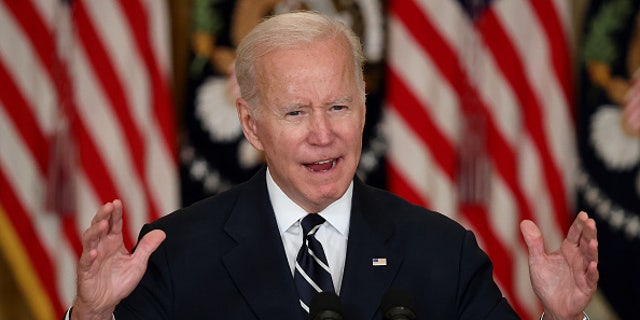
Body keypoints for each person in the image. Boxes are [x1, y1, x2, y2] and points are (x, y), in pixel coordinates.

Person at [66, 11, 598, 320]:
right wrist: (91, 316)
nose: (324, 135)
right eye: (296, 112)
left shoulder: (441, 251)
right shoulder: (177, 252)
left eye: (339, 106)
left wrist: (562, 318)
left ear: (364, 110)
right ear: (252, 126)